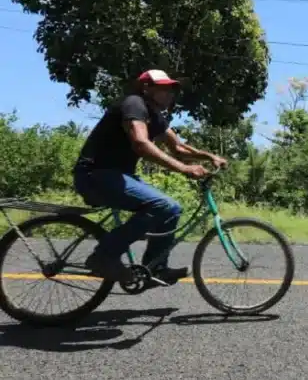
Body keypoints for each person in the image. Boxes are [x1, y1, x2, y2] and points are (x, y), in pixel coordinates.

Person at [72, 69, 228, 284]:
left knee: (172, 210)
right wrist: (183, 169)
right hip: (96, 176)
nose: (169, 94)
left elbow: (178, 147)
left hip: (118, 176)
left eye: (171, 89)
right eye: (163, 89)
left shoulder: (155, 116)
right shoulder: (134, 104)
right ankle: (103, 256)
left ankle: (156, 267)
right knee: (164, 206)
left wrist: (209, 156)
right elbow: (141, 143)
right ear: (147, 88)